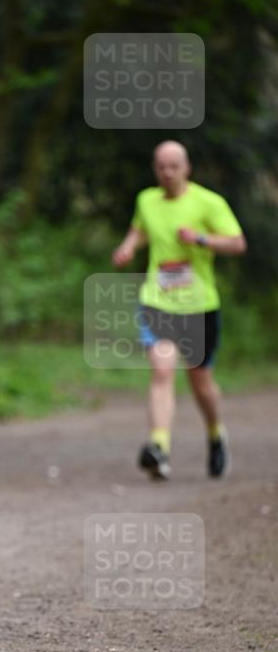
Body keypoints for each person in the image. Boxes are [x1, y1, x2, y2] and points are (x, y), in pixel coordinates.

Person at [113, 140, 246, 480]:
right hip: (158, 300)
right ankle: (159, 447)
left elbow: (237, 242)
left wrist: (201, 239)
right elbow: (140, 229)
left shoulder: (208, 202)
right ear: (155, 169)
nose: (167, 172)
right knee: (162, 368)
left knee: (200, 381)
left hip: (199, 304)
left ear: (187, 168)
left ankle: (216, 435)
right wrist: (127, 247)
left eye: (173, 166)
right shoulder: (146, 200)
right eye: (161, 166)